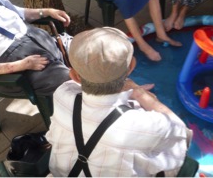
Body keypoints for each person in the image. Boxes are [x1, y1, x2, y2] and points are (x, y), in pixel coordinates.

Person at [46, 27, 192, 177]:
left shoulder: (62, 95)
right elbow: (183, 134)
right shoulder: (143, 124)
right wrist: (141, 94)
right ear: (131, 67)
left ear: (75, 77)